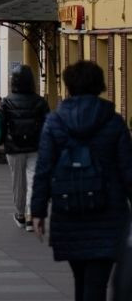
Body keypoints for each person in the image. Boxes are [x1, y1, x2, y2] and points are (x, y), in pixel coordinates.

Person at [30, 60, 132, 301]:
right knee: (97, 282)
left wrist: (37, 211)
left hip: (69, 209)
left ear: (68, 86)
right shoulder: (114, 121)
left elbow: (44, 168)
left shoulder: (55, 121)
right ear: (100, 85)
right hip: (108, 210)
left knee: (80, 277)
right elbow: (127, 169)